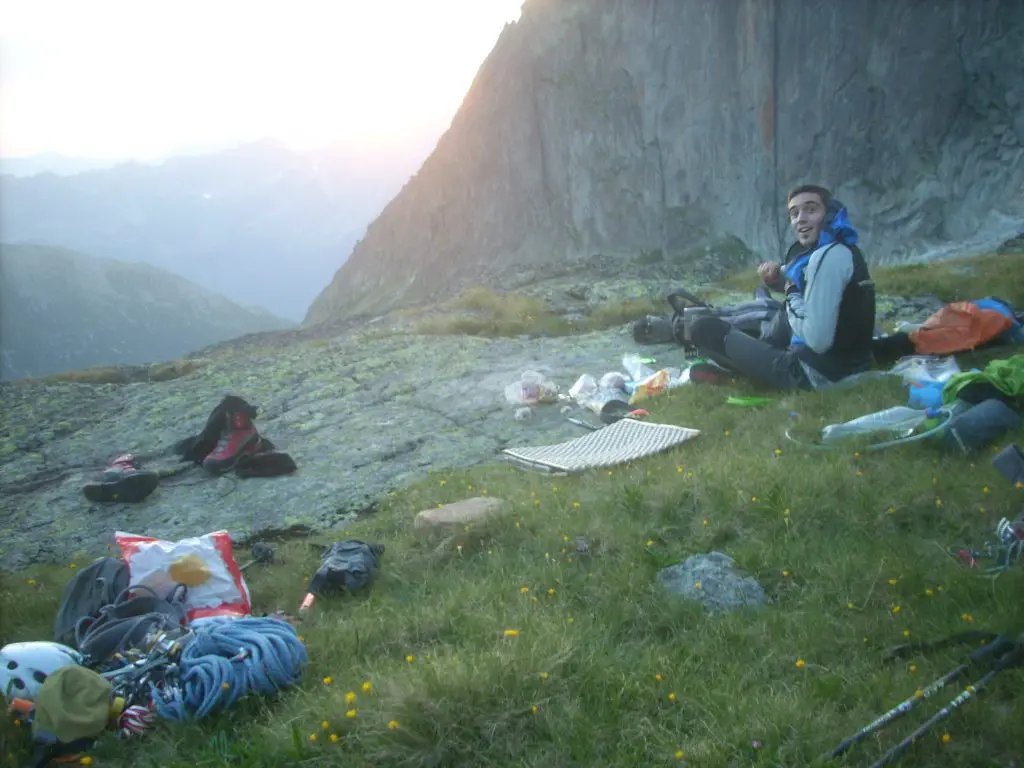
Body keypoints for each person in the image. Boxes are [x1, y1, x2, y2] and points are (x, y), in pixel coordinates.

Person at [689, 185, 876, 389]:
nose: (801, 219)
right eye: (794, 214)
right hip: (847, 366)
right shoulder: (843, 250)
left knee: (702, 328)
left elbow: (818, 339)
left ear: (829, 213)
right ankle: (746, 368)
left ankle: (741, 374)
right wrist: (778, 282)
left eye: (811, 210)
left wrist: (791, 291)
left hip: (812, 375)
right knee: (781, 317)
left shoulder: (827, 258)